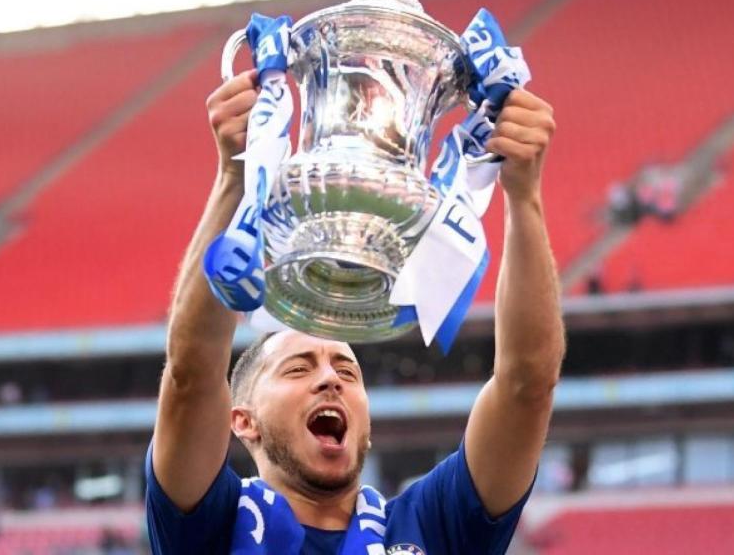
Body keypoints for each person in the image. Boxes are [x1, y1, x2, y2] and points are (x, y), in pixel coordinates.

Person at [145, 69, 564, 554]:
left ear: (365, 421)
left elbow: (528, 382)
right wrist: (236, 177)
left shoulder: (430, 525)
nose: (331, 379)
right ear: (243, 421)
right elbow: (191, 375)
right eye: (299, 368)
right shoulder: (207, 526)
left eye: (347, 369)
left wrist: (524, 195)